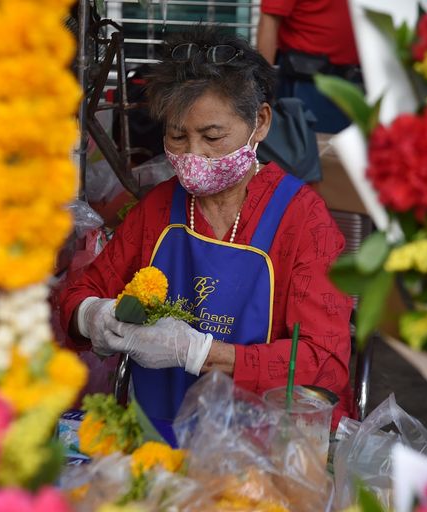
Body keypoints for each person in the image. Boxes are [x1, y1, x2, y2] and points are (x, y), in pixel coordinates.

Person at [58, 26, 354, 432]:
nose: (193, 154)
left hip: (265, 443)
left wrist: (202, 353)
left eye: (212, 136)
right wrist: (92, 316)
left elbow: (325, 363)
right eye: (177, 136)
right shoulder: (159, 207)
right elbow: (78, 294)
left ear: (260, 123)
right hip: (159, 433)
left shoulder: (304, 221)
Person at [257, 0, 362, 134]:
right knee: (312, 149)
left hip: (355, 82)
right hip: (308, 84)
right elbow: (269, 20)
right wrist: (263, 87)